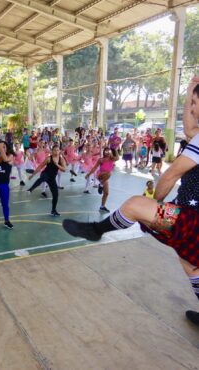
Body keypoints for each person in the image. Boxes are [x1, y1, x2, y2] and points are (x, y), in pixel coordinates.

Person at [63, 76, 199, 326]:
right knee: (191, 264)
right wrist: (190, 89)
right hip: (192, 214)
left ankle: (96, 230)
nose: (190, 109)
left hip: (193, 218)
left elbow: (171, 174)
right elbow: (191, 130)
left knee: (136, 205)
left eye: (194, 104)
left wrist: (155, 204)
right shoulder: (198, 135)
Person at [27, 144, 66, 216]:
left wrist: (57, 164)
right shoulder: (48, 158)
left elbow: (64, 169)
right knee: (43, 178)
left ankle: (53, 210)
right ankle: (31, 189)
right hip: (45, 174)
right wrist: (32, 175)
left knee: (56, 195)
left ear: (59, 151)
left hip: (52, 178)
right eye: (54, 150)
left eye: (57, 150)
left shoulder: (61, 159)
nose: (56, 152)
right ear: (52, 151)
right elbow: (40, 166)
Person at [86, 147, 119, 212]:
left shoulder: (112, 159)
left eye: (108, 151)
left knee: (106, 193)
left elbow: (117, 157)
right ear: (104, 152)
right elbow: (94, 168)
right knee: (109, 173)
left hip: (106, 177)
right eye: (106, 151)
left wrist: (114, 148)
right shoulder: (101, 160)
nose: (107, 152)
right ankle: (100, 184)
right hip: (100, 175)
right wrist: (88, 174)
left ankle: (102, 206)